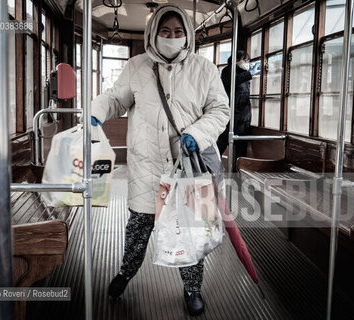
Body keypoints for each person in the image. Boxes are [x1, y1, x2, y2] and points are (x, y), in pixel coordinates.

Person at [90, 4, 229, 316]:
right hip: (147, 166)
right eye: (165, 32)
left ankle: (193, 288)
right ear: (153, 34)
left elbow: (220, 109)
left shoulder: (203, 69)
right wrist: (97, 113)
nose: (172, 37)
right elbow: (115, 98)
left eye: (178, 32)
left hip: (191, 166)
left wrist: (197, 133)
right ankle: (126, 273)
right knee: (138, 228)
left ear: (187, 35)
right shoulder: (137, 66)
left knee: (192, 231)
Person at [216, 51, 254, 159]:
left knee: (242, 147)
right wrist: (249, 74)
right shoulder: (228, 71)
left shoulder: (245, 73)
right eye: (245, 60)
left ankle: (238, 172)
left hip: (244, 116)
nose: (247, 63)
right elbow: (233, 81)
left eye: (248, 61)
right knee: (222, 142)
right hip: (231, 114)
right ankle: (210, 168)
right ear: (236, 60)